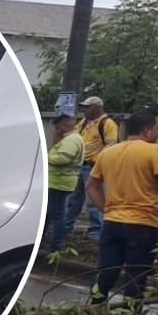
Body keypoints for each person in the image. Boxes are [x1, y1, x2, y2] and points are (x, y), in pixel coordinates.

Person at [85, 110, 158, 304]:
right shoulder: (154, 151)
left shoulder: (108, 152)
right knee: (136, 277)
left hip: (112, 223)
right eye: (157, 128)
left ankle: (92, 312)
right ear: (148, 130)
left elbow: (91, 186)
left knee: (106, 273)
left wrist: (106, 209)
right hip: (143, 224)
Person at [63, 96, 119, 240]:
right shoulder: (84, 123)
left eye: (87, 107)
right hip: (80, 165)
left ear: (97, 108)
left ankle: (96, 230)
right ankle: (67, 227)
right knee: (74, 198)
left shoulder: (107, 124)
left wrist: (98, 160)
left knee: (93, 199)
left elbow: (111, 145)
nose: (84, 110)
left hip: (93, 166)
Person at [43, 113, 84, 254]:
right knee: (49, 214)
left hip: (59, 182)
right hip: (58, 182)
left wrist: (47, 156)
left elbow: (63, 159)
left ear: (65, 125)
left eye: (58, 126)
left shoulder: (71, 140)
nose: (56, 129)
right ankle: (45, 242)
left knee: (57, 215)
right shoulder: (70, 138)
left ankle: (56, 245)